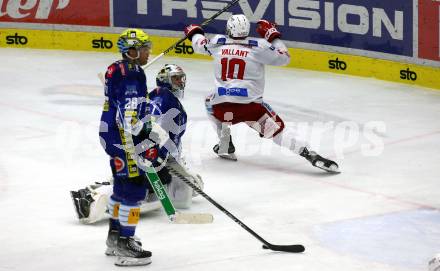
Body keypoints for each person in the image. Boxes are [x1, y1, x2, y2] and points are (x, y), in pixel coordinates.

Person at [184, 14, 339, 173]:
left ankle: (225, 144)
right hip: (251, 108)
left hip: (222, 109)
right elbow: (284, 58)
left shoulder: (217, 42)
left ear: (228, 29)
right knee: (277, 131)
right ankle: (309, 154)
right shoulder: (260, 46)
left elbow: (199, 44)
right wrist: (273, 36)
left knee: (209, 100)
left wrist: (194, 32)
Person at [71, 64, 203, 226]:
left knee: (183, 191)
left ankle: (106, 187)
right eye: (175, 78)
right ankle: (93, 198)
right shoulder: (166, 99)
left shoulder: (154, 95)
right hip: (149, 153)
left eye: (181, 78)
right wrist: (158, 155)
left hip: (141, 149)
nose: (180, 82)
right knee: (152, 190)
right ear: (165, 80)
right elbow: (157, 129)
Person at [98, 28, 154, 266]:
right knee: (134, 190)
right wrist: (138, 142)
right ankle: (125, 244)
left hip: (113, 135)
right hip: (122, 137)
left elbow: (139, 106)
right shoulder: (128, 74)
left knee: (121, 187)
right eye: (144, 49)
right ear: (131, 52)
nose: (148, 52)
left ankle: (115, 238)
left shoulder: (128, 70)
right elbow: (126, 113)